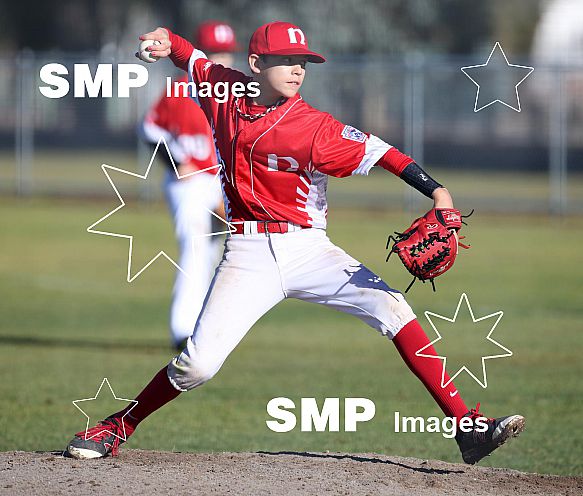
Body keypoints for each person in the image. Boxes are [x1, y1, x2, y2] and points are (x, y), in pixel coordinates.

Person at [66, 21, 524, 464]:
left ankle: (467, 426)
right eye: (286, 60)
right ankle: (115, 426)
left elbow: (384, 153)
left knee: (394, 309)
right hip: (247, 254)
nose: (297, 69)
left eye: (303, 61)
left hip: (309, 250)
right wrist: (169, 40)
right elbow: (193, 59)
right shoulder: (223, 91)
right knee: (197, 366)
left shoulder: (315, 126)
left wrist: (439, 193)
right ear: (256, 64)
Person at [138, 21, 238, 349]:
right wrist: (175, 162)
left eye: (226, 52)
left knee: (212, 253)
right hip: (189, 183)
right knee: (195, 249)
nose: (222, 58)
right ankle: (183, 331)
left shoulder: (236, 92)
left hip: (219, 183)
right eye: (215, 52)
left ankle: (201, 329)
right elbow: (149, 129)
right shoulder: (180, 89)